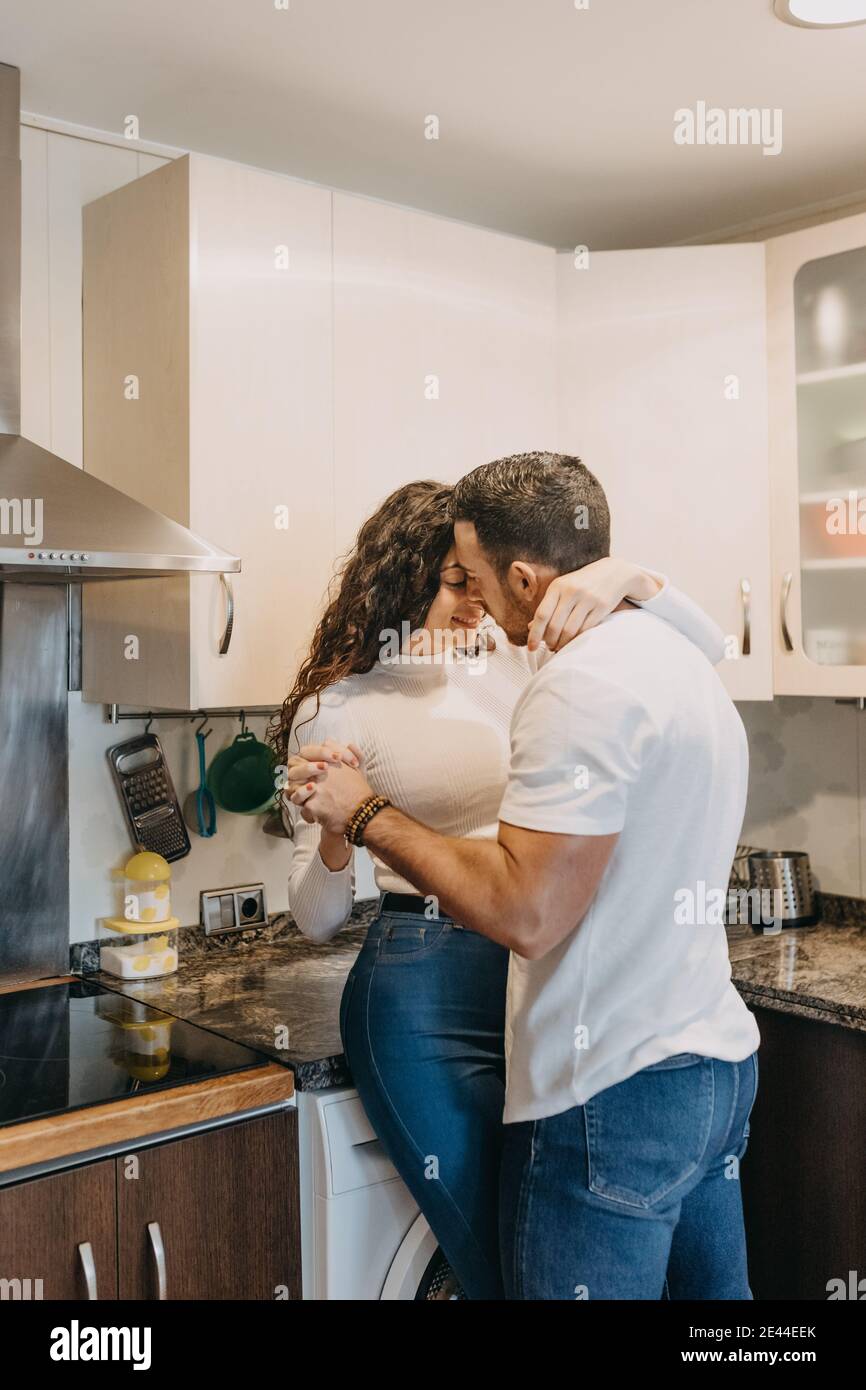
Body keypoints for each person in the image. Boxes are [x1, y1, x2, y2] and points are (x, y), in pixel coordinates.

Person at [279, 468, 744, 1300]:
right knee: (500, 1258)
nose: (471, 603)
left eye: (478, 580)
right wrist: (336, 829)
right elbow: (314, 919)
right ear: (402, 576)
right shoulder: (338, 705)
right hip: (420, 988)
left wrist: (629, 577)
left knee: (553, 1236)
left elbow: (697, 649)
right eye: (452, 581)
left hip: (529, 965)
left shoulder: (518, 662)